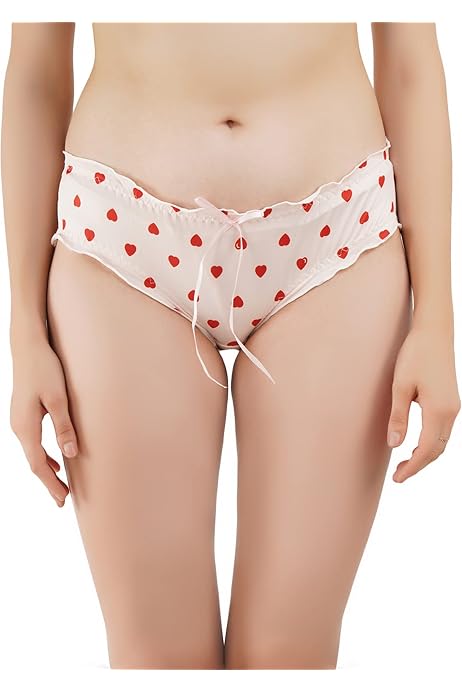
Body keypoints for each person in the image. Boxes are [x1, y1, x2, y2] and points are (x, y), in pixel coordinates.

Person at [1, 22, 460, 670]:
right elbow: (35, 67)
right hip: (122, 239)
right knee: (158, 662)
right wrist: (23, 329)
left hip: (332, 236)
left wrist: (437, 317)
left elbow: (410, 57)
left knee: (288, 660)